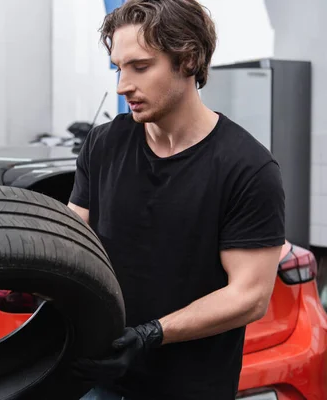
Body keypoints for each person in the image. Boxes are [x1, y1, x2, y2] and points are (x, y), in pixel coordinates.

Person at [67, 1, 286, 399]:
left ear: (187, 59)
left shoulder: (247, 167)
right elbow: (73, 238)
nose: (122, 86)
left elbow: (249, 297)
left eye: (140, 67)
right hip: (99, 381)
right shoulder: (103, 144)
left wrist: (149, 335)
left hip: (189, 388)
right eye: (119, 67)